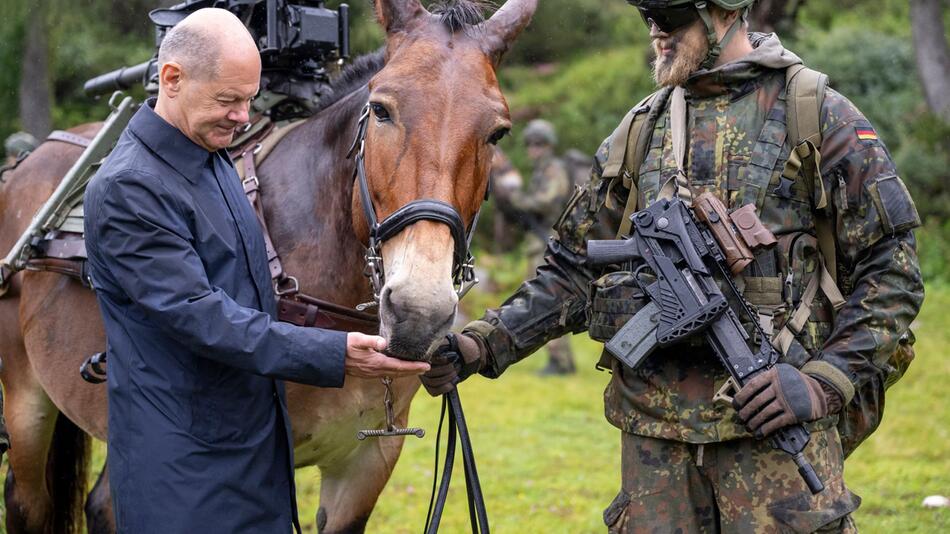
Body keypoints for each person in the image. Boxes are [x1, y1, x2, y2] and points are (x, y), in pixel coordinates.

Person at [420, 0, 924, 532]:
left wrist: (826, 379)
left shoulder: (815, 113)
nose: (658, 32)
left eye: (673, 15)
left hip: (772, 430)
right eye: (649, 17)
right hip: (654, 445)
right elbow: (572, 268)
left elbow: (893, 268)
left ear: (726, 12)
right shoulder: (639, 130)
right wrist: (483, 342)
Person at [83, 9, 428, 533]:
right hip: (184, 475)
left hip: (249, 456)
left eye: (248, 99)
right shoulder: (130, 187)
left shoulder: (210, 156)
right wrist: (336, 352)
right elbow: (202, 317)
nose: (243, 117)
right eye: (228, 100)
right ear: (171, 78)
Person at [504, 119, 577, 375]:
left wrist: (519, 199)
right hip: (539, 243)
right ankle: (560, 360)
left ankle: (560, 361)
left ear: (549, 146)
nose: (533, 150)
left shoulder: (553, 170)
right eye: (531, 145)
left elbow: (549, 200)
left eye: (539, 145)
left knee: (546, 300)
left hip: (548, 242)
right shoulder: (541, 171)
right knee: (543, 299)